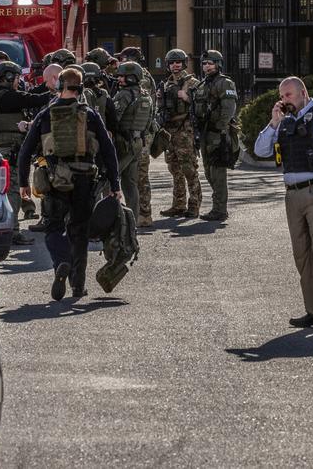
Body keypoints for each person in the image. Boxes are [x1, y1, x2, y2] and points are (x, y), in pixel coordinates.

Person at [254, 76, 313, 330]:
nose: (284, 100)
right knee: (303, 254)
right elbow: (261, 150)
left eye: (288, 95)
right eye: (281, 95)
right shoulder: (284, 124)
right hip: (293, 194)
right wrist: (273, 123)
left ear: (303, 93)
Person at [17, 67, 122, 301]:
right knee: (80, 232)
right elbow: (108, 150)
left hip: (55, 179)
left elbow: (25, 151)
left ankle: (61, 261)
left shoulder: (45, 114)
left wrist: (23, 182)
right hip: (85, 180)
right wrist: (115, 184)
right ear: (81, 88)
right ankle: (77, 285)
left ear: (60, 85)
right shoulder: (91, 115)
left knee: (54, 227)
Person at [0, 61, 55, 246]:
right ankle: (13, 231)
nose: (18, 81)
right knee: (13, 190)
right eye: (16, 78)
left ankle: (0, 228)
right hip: (10, 149)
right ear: (8, 77)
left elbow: (27, 96)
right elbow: (31, 99)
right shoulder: (8, 97)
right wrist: (56, 91)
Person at [192, 50, 239, 221]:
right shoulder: (203, 84)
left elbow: (229, 108)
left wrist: (220, 128)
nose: (207, 66)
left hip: (218, 134)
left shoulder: (224, 83)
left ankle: (220, 209)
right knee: (208, 172)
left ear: (218, 64)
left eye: (210, 63)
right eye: (204, 63)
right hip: (206, 133)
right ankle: (218, 205)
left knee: (218, 172)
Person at [158, 49, 202, 218]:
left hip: (185, 130)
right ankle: (178, 204)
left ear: (183, 63)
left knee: (189, 169)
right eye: (172, 62)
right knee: (174, 168)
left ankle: (194, 204)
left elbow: (201, 105)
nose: (175, 65)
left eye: (178, 62)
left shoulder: (191, 83)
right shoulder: (165, 84)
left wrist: (187, 97)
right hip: (170, 130)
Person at [118, 46, 157, 226]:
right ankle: (136, 216)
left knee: (136, 176)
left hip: (131, 137)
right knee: (132, 180)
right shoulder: (142, 88)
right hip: (139, 136)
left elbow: (117, 115)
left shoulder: (135, 86)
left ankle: (142, 214)